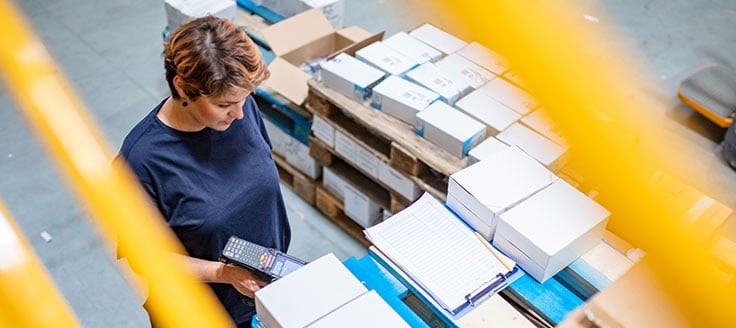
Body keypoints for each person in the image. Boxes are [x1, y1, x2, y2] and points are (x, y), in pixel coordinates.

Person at [115, 15, 291, 326]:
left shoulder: (240, 108)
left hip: (265, 294)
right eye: (225, 104)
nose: (239, 113)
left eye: (244, 98)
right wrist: (225, 274)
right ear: (182, 87)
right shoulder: (140, 162)